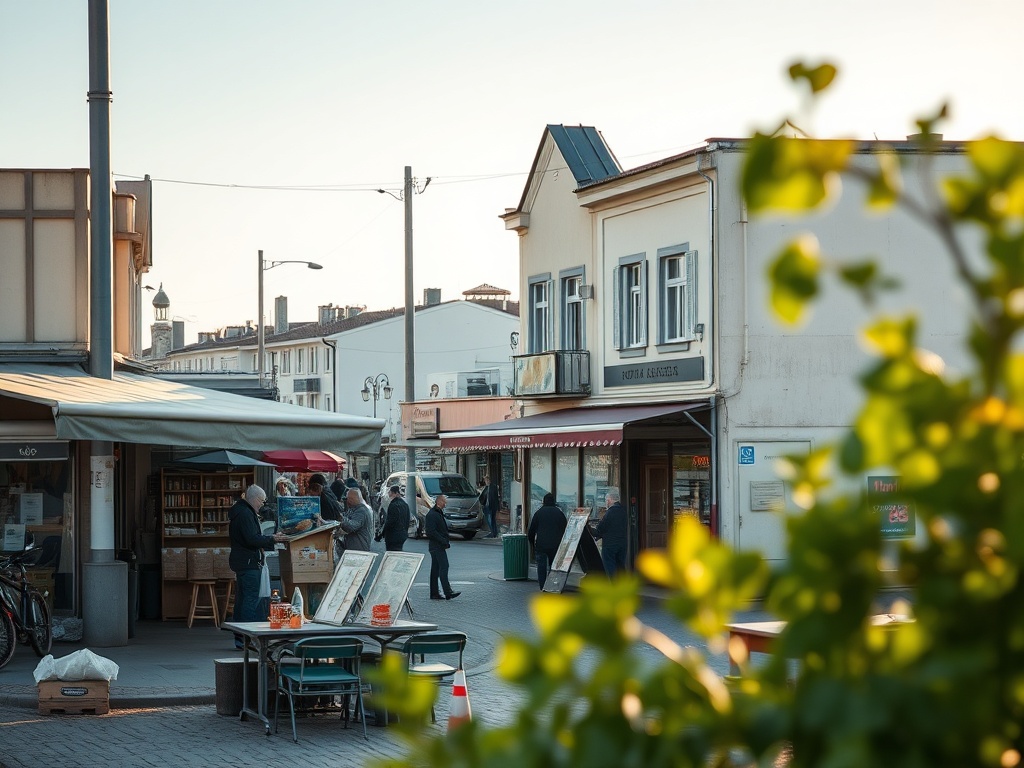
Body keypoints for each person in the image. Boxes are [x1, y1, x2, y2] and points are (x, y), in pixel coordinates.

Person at [228, 484, 288, 648]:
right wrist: (272, 539)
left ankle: (239, 636)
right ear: (254, 499)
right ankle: (247, 638)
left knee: (242, 599)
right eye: (261, 501)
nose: (262, 504)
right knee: (250, 600)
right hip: (249, 562)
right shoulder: (246, 514)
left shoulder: (240, 512)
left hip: (241, 561)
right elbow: (252, 539)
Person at [528, 492, 567, 590]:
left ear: (543, 502)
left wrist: (532, 543)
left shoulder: (538, 513)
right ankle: (552, 586)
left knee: (541, 567)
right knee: (553, 567)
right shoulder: (559, 513)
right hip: (555, 545)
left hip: (541, 545)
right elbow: (565, 529)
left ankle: (543, 587)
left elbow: (531, 531)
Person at [425, 494, 460, 600]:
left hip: (436, 545)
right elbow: (431, 532)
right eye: (444, 501)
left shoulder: (436, 513)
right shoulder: (433, 514)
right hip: (437, 545)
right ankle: (447, 591)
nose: (445, 503)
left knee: (435, 569)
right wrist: (443, 540)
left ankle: (434, 593)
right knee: (444, 567)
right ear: (438, 502)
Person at [594, 489, 627, 578]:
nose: (606, 502)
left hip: (610, 544)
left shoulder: (610, 512)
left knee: (610, 566)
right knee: (621, 566)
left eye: (606, 500)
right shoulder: (623, 511)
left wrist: (596, 533)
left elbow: (602, 527)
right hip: (622, 543)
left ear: (609, 500)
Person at [338, 487, 373, 553]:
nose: (348, 501)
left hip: (359, 550)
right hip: (354, 549)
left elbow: (351, 526)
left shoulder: (362, 511)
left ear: (355, 499)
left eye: (349, 499)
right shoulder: (353, 509)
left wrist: (341, 518)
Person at [381, 484, 410, 551]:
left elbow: (390, 521)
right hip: (402, 534)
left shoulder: (393, 505)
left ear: (395, 493)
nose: (388, 494)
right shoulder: (405, 504)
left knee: (392, 554)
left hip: (393, 536)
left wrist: (383, 533)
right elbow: (407, 519)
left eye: (390, 492)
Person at [479, 474, 500, 538]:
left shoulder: (493, 487)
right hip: (486, 506)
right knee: (489, 520)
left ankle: (493, 532)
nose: (486, 481)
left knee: (491, 519)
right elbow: (482, 496)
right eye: (485, 480)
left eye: (487, 480)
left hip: (492, 506)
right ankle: (493, 532)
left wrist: (497, 507)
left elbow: (496, 497)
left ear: (490, 480)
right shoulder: (485, 488)